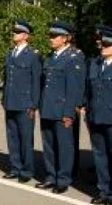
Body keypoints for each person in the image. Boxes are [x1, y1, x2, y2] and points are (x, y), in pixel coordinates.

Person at [35, 21, 86, 194]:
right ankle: (51, 176)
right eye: (50, 35)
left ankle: (63, 179)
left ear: (65, 38)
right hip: (48, 108)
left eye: (54, 36)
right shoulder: (51, 57)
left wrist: (69, 112)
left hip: (63, 110)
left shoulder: (74, 57)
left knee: (64, 147)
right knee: (49, 145)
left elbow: (74, 88)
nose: (50, 39)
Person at [2, 21, 42, 183]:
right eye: (14, 32)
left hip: (25, 103)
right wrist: (4, 99)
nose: (14, 34)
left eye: (17, 32)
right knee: (12, 137)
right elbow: (7, 79)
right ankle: (15, 167)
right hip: (11, 101)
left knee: (25, 139)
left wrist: (33, 104)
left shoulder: (33, 55)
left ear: (26, 35)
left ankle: (26, 170)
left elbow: (36, 81)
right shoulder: (10, 53)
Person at [85, 27, 112, 205]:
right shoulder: (95, 64)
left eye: (107, 44)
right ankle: (103, 190)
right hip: (96, 116)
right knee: (100, 156)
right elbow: (89, 91)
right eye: (103, 44)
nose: (103, 47)